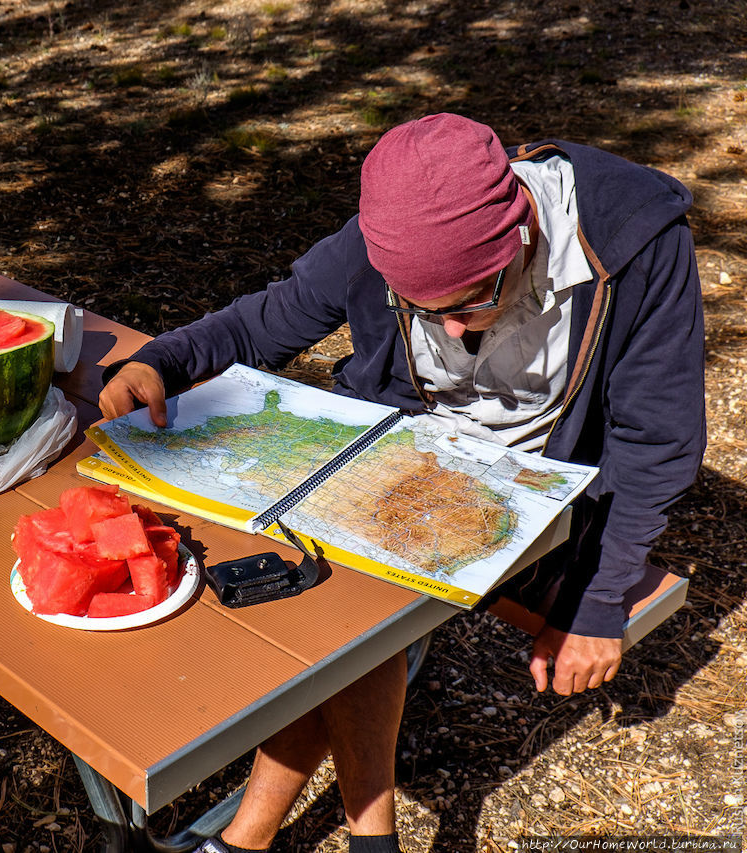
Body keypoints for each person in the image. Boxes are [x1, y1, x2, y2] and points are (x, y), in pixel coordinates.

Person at [97, 113, 706, 853]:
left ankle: (253, 839)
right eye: (424, 310)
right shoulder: (385, 232)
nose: (451, 330)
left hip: (541, 492)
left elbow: (658, 441)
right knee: (348, 599)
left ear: (522, 233)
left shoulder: (633, 241)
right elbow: (271, 317)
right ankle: (346, 838)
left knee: (350, 609)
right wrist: (162, 361)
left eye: (472, 302)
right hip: (402, 461)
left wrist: (599, 602)